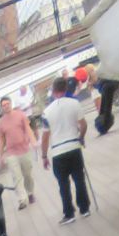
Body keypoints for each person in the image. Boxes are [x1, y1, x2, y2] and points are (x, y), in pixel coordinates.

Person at [41, 76, 90, 222]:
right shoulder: (75, 103)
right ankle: (84, 208)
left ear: (53, 91)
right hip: (74, 146)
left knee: (63, 184)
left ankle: (69, 214)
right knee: (79, 179)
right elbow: (84, 125)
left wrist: (44, 156)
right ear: (66, 89)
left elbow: (45, 136)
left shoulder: (46, 112)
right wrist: (81, 137)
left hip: (58, 151)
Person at [0, 95, 35, 208]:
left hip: (24, 150)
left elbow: (28, 129)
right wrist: (1, 156)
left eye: (7, 104)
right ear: (1, 108)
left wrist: (33, 141)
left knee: (27, 175)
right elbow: (1, 140)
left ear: (11, 104)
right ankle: (22, 200)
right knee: (16, 177)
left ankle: (30, 193)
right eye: (3, 105)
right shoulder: (1, 122)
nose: (6, 106)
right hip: (11, 153)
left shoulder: (20, 114)